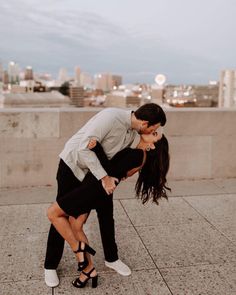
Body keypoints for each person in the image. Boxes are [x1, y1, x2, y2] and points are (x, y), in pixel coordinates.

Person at [44, 103, 166, 287]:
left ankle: (111, 258)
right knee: (63, 214)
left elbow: (119, 160)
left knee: (106, 215)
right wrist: (105, 178)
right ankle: (50, 265)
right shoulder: (110, 117)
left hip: (98, 177)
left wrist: (107, 174)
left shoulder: (133, 134)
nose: (155, 130)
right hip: (74, 167)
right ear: (145, 124)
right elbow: (83, 149)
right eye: (154, 128)